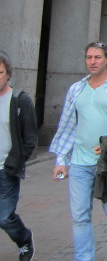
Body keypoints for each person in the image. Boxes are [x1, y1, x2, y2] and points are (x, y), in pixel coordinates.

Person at [50, 41, 107, 261]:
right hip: (79, 162)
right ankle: (84, 258)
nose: (92, 61)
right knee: (80, 216)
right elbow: (67, 126)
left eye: (97, 57)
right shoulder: (76, 89)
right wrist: (61, 160)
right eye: (89, 57)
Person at [0, 55, 37, 261]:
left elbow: (30, 137)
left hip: (6, 169)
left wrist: (17, 161)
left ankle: (24, 240)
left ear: (8, 74)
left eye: (0, 72)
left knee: (4, 217)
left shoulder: (19, 100)